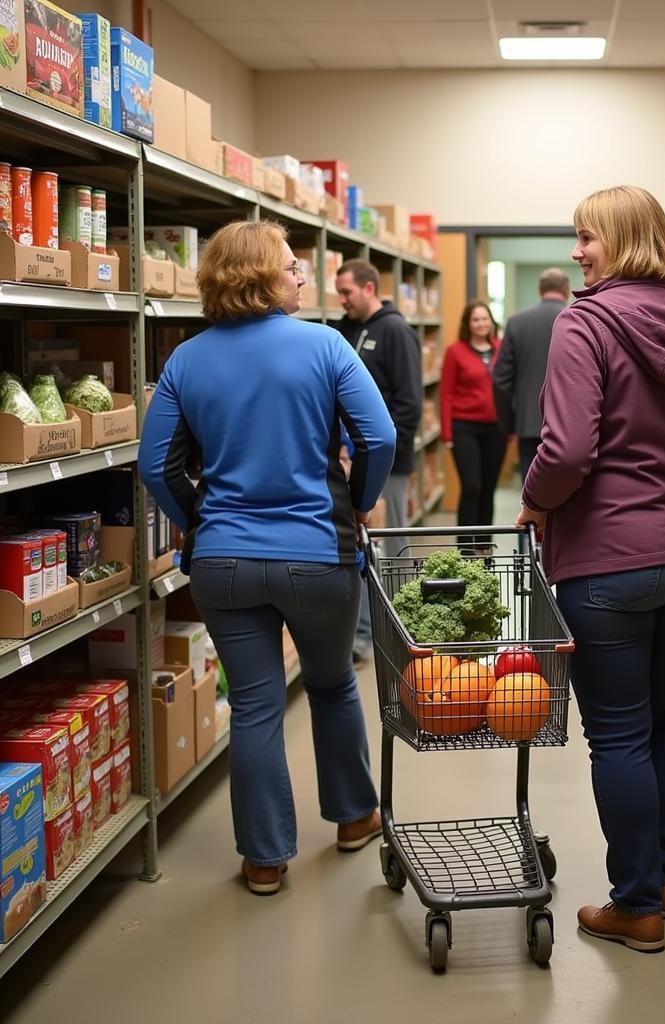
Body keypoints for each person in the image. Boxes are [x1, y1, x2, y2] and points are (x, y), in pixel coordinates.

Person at [516, 186, 665, 953]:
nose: (577, 252)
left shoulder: (586, 321)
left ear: (620, 240)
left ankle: (636, 904)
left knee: (616, 735)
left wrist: (537, 502)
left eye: (586, 237)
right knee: (659, 719)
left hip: (609, 562)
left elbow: (570, 450)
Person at [140, 221, 396, 897]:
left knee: (254, 705)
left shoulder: (187, 360)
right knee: (333, 683)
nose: (303, 276)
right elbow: (380, 437)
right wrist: (359, 504)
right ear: (259, 276)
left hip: (223, 563)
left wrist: (203, 520)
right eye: (292, 267)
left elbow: (156, 467)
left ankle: (263, 859)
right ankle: (353, 816)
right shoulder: (326, 345)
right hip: (317, 555)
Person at [334, 258, 422, 660]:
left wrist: (385, 455)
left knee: (393, 546)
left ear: (369, 289)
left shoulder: (395, 331)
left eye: (347, 292)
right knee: (362, 547)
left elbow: (408, 402)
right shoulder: (345, 328)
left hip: (387, 461)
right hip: (350, 461)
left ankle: (404, 633)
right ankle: (364, 635)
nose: (342, 299)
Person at [491, 267, 570, 481]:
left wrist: (507, 423)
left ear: (539, 290)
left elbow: (501, 379)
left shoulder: (517, 323)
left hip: (528, 423)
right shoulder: (578, 320)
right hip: (571, 422)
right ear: (567, 289)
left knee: (531, 486)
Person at [440, 301, 506, 552]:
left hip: (495, 429)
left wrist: (509, 425)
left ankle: (484, 547)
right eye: (476, 319)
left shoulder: (501, 349)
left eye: (484, 319)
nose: (481, 324)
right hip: (464, 427)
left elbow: (507, 389)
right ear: (468, 324)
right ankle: (466, 550)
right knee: (472, 487)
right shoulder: (455, 351)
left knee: (488, 489)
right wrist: (447, 433)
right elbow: (445, 394)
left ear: (491, 322)